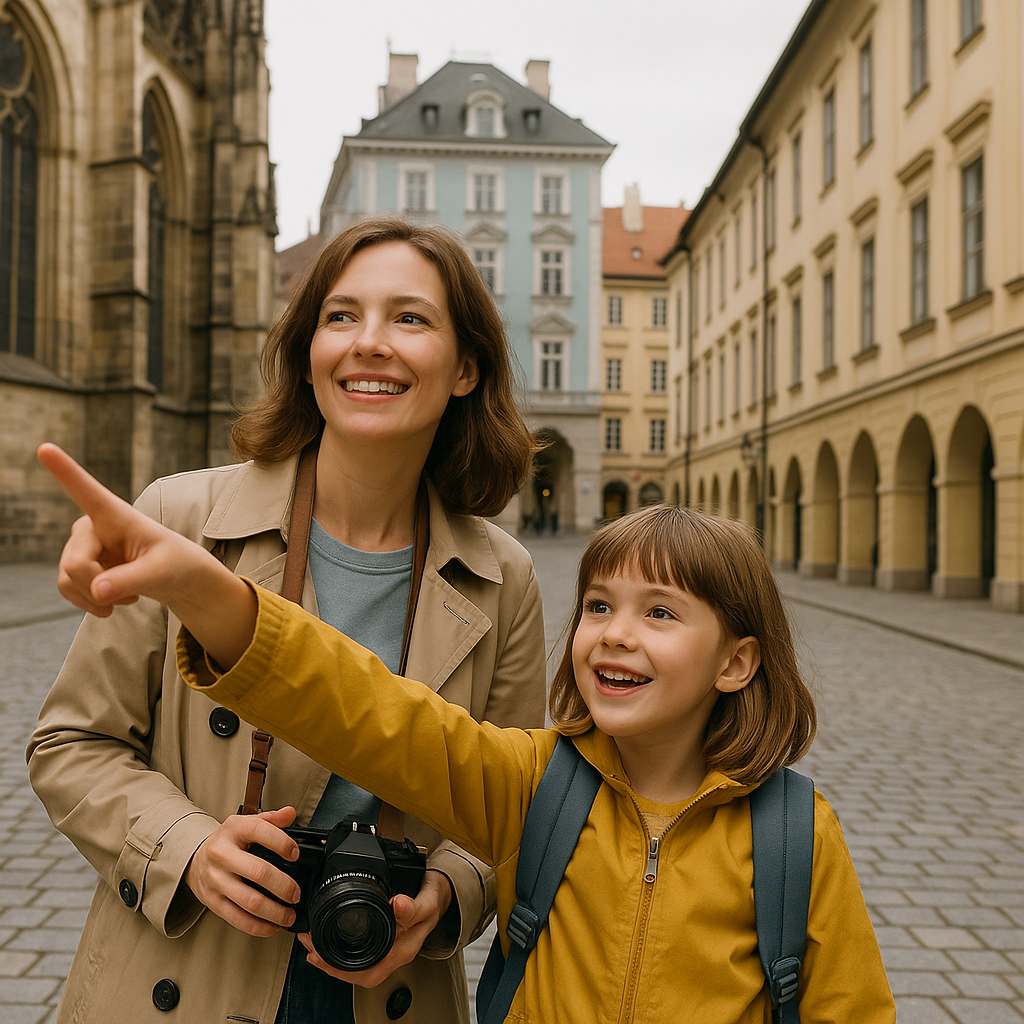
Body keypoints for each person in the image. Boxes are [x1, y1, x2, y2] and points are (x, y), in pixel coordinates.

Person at [39, 447, 896, 1023]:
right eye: (599, 606)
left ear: (737, 663)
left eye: (660, 613)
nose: (615, 635)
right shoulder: (535, 784)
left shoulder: (795, 835)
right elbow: (369, 711)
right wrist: (208, 593)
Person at [27, 217, 547, 1024]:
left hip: (387, 984)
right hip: (186, 966)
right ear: (309, 356)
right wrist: (188, 847)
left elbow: (510, 816)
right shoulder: (180, 520)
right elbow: (71, 744)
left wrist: (446, 893)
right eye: (341, 316)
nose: (368, 342)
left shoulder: (502, 577)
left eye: (410, 318)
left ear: (466, 369)